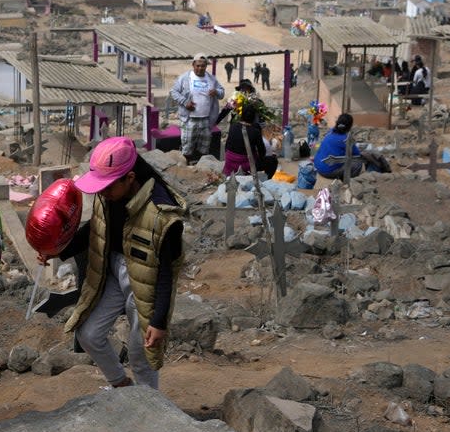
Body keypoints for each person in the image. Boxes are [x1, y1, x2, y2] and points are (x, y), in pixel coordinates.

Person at [39, 137, 187, 389]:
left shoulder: (162, 216)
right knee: (88, 334)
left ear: (129, 178)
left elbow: (164, 273)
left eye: (107, 187)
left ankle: (150, 409)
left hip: (145, 281)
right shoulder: (108, 196)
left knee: (141, 355)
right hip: (112, 273)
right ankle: (121, 385)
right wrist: (58, 251)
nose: (101, 192)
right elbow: (93, 231)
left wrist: (159, 321)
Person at [170, 53, 225, 164]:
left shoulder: (211, 79)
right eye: (198, 65)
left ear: (206, 66)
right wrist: (185, 102)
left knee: (204, 148)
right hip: (189, 119)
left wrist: (216, 92)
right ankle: (186, 168)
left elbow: (222, 92)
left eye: (203, 66)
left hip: (206, 120)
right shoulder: (185, 78)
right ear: (193, 65)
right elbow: (173, 92)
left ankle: (201, 168)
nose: (200, 68)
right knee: (187, 147)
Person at [313, 113, 389, 179]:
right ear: (350, 126)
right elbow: (358, 155)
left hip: (318, 166)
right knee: (357, 163)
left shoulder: (331, 131)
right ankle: (350, 180)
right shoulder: (346, 139)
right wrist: (373, 160)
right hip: (327, 172)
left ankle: (381, 167)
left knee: (362, 152)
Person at [222, 99, 278, 178]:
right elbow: (262, 153)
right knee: (273, 161)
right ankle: (267, 181)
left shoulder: (233, 126)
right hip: (245, 165)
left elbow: (226, 147)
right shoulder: (255, 131)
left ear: (241, 115)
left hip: (230, 162)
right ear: (254, 118)